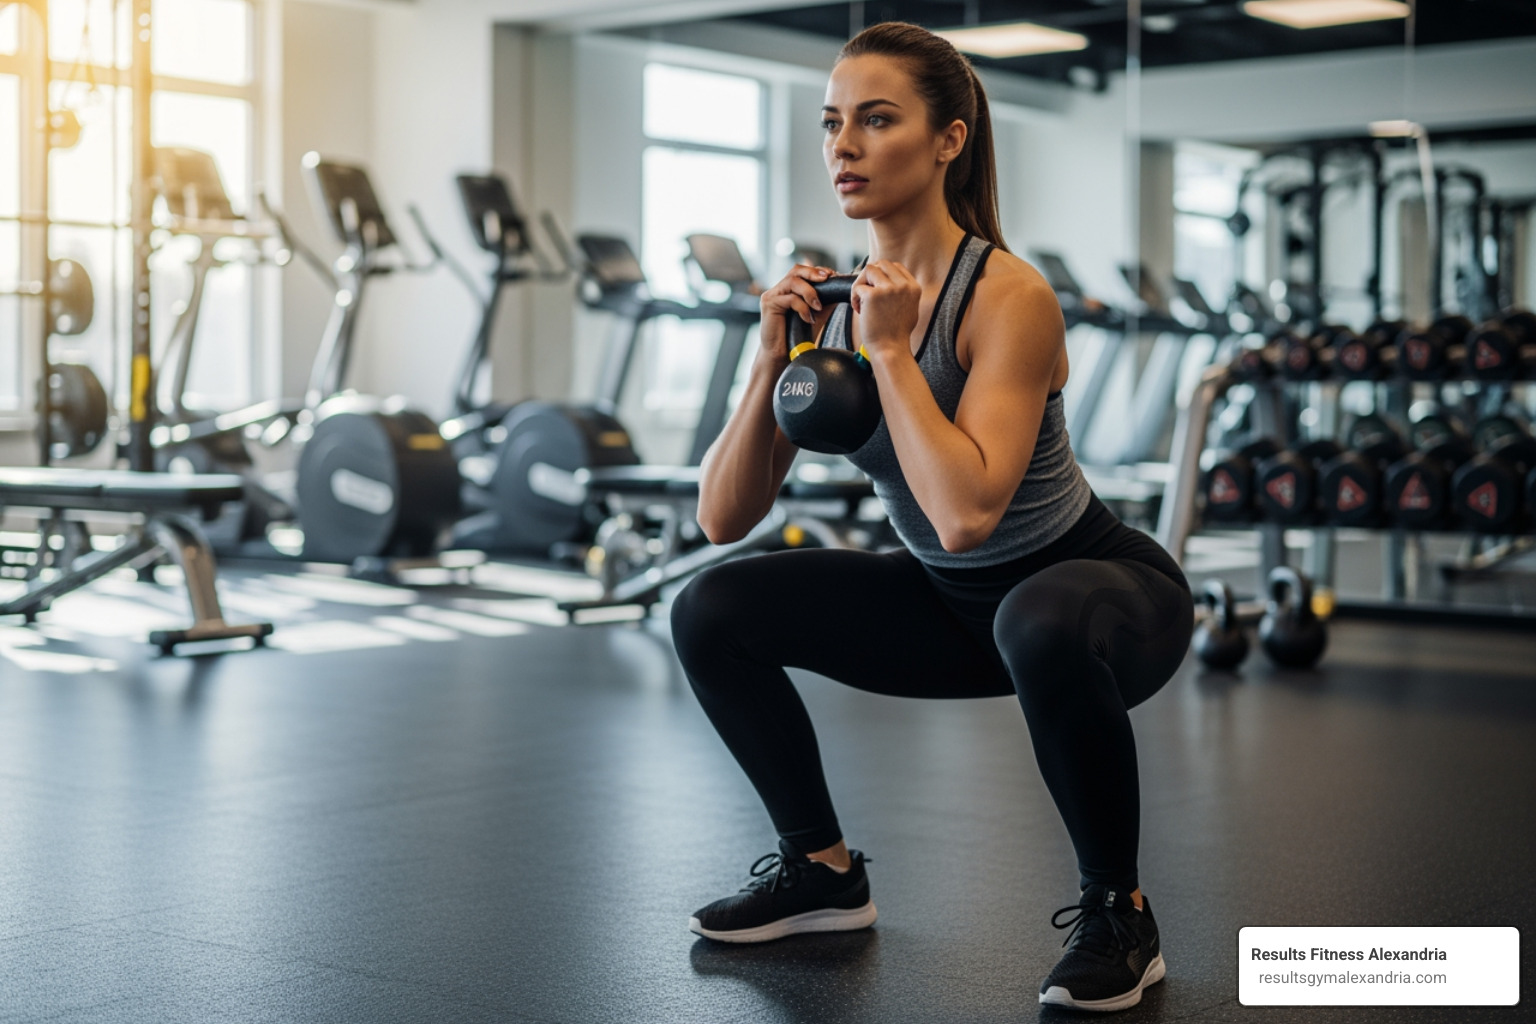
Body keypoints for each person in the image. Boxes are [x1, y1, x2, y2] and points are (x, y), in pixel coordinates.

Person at [669, 21, 1195, 1014]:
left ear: (949, 139)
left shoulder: (1007, 294)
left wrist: (897, 355)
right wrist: (767, 357)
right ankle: (821, 872)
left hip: (1100, 598)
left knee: (1033, 616)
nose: (843, 147)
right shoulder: (831, 300)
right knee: (710, 607)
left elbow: (965, 515)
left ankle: (1118, 911)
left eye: (876, 120)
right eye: (833, 124)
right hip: (954, 610)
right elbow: (720, 514)